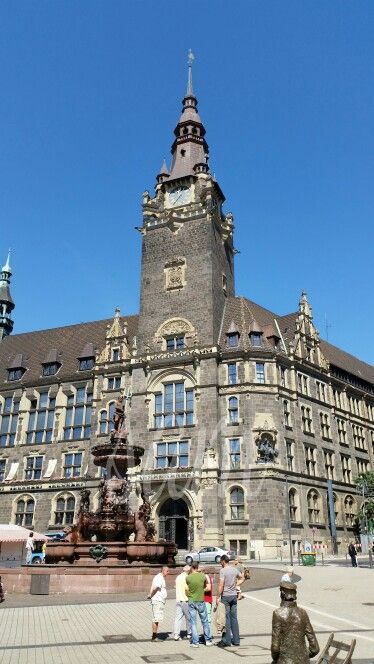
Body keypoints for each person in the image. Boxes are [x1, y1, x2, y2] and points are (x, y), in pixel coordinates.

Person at [271, 581, 319, 663]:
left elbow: (275, 648)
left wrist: (276, 659)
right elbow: (315, 648)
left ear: (282, 593)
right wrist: (303, 656)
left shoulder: (278, 613)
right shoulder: (303, 613)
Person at [216, 554, 244, 648]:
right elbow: (242, 577)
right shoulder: (234, 569)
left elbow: (221, 585)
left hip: (226, 596)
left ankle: (227, 640)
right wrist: (236, 584)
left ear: (223, 561)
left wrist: (217, 596)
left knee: (226, 618)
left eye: (220, 561)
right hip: (233, 596)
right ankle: (236, 640)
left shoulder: (223, 571)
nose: (220, 563)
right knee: (234, 618)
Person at [186, 561, 213, 648]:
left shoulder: (188, 577)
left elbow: (187, 588)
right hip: (201, 600)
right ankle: (208, 640)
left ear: (191, 567)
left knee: (193, 623)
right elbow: (205, 587)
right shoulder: (203, 576)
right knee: (205, 621)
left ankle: (195, 642)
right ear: (197, 567)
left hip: (191, 601)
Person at [147, 566, 169, 641]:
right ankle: (154, 636)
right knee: (156, 618)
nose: (168, 573)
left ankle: (155, 635)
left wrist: (150, 594)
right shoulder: (159, 578)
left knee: (157, 618)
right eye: (167, 571)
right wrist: (151, 594)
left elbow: (153, 586)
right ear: (163, 571)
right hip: (158, 600)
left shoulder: (158, 577)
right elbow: (155, 588)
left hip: (158, 600)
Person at [174, 564, 191, 640]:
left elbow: (175, 586)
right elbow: (187, 589)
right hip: (185, 600)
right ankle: (189, 633)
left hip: (178, 600)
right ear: (188, 571)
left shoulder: (178, 577)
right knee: (189, 618)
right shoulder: (186, 577)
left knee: (178, 618)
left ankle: (176, 635)